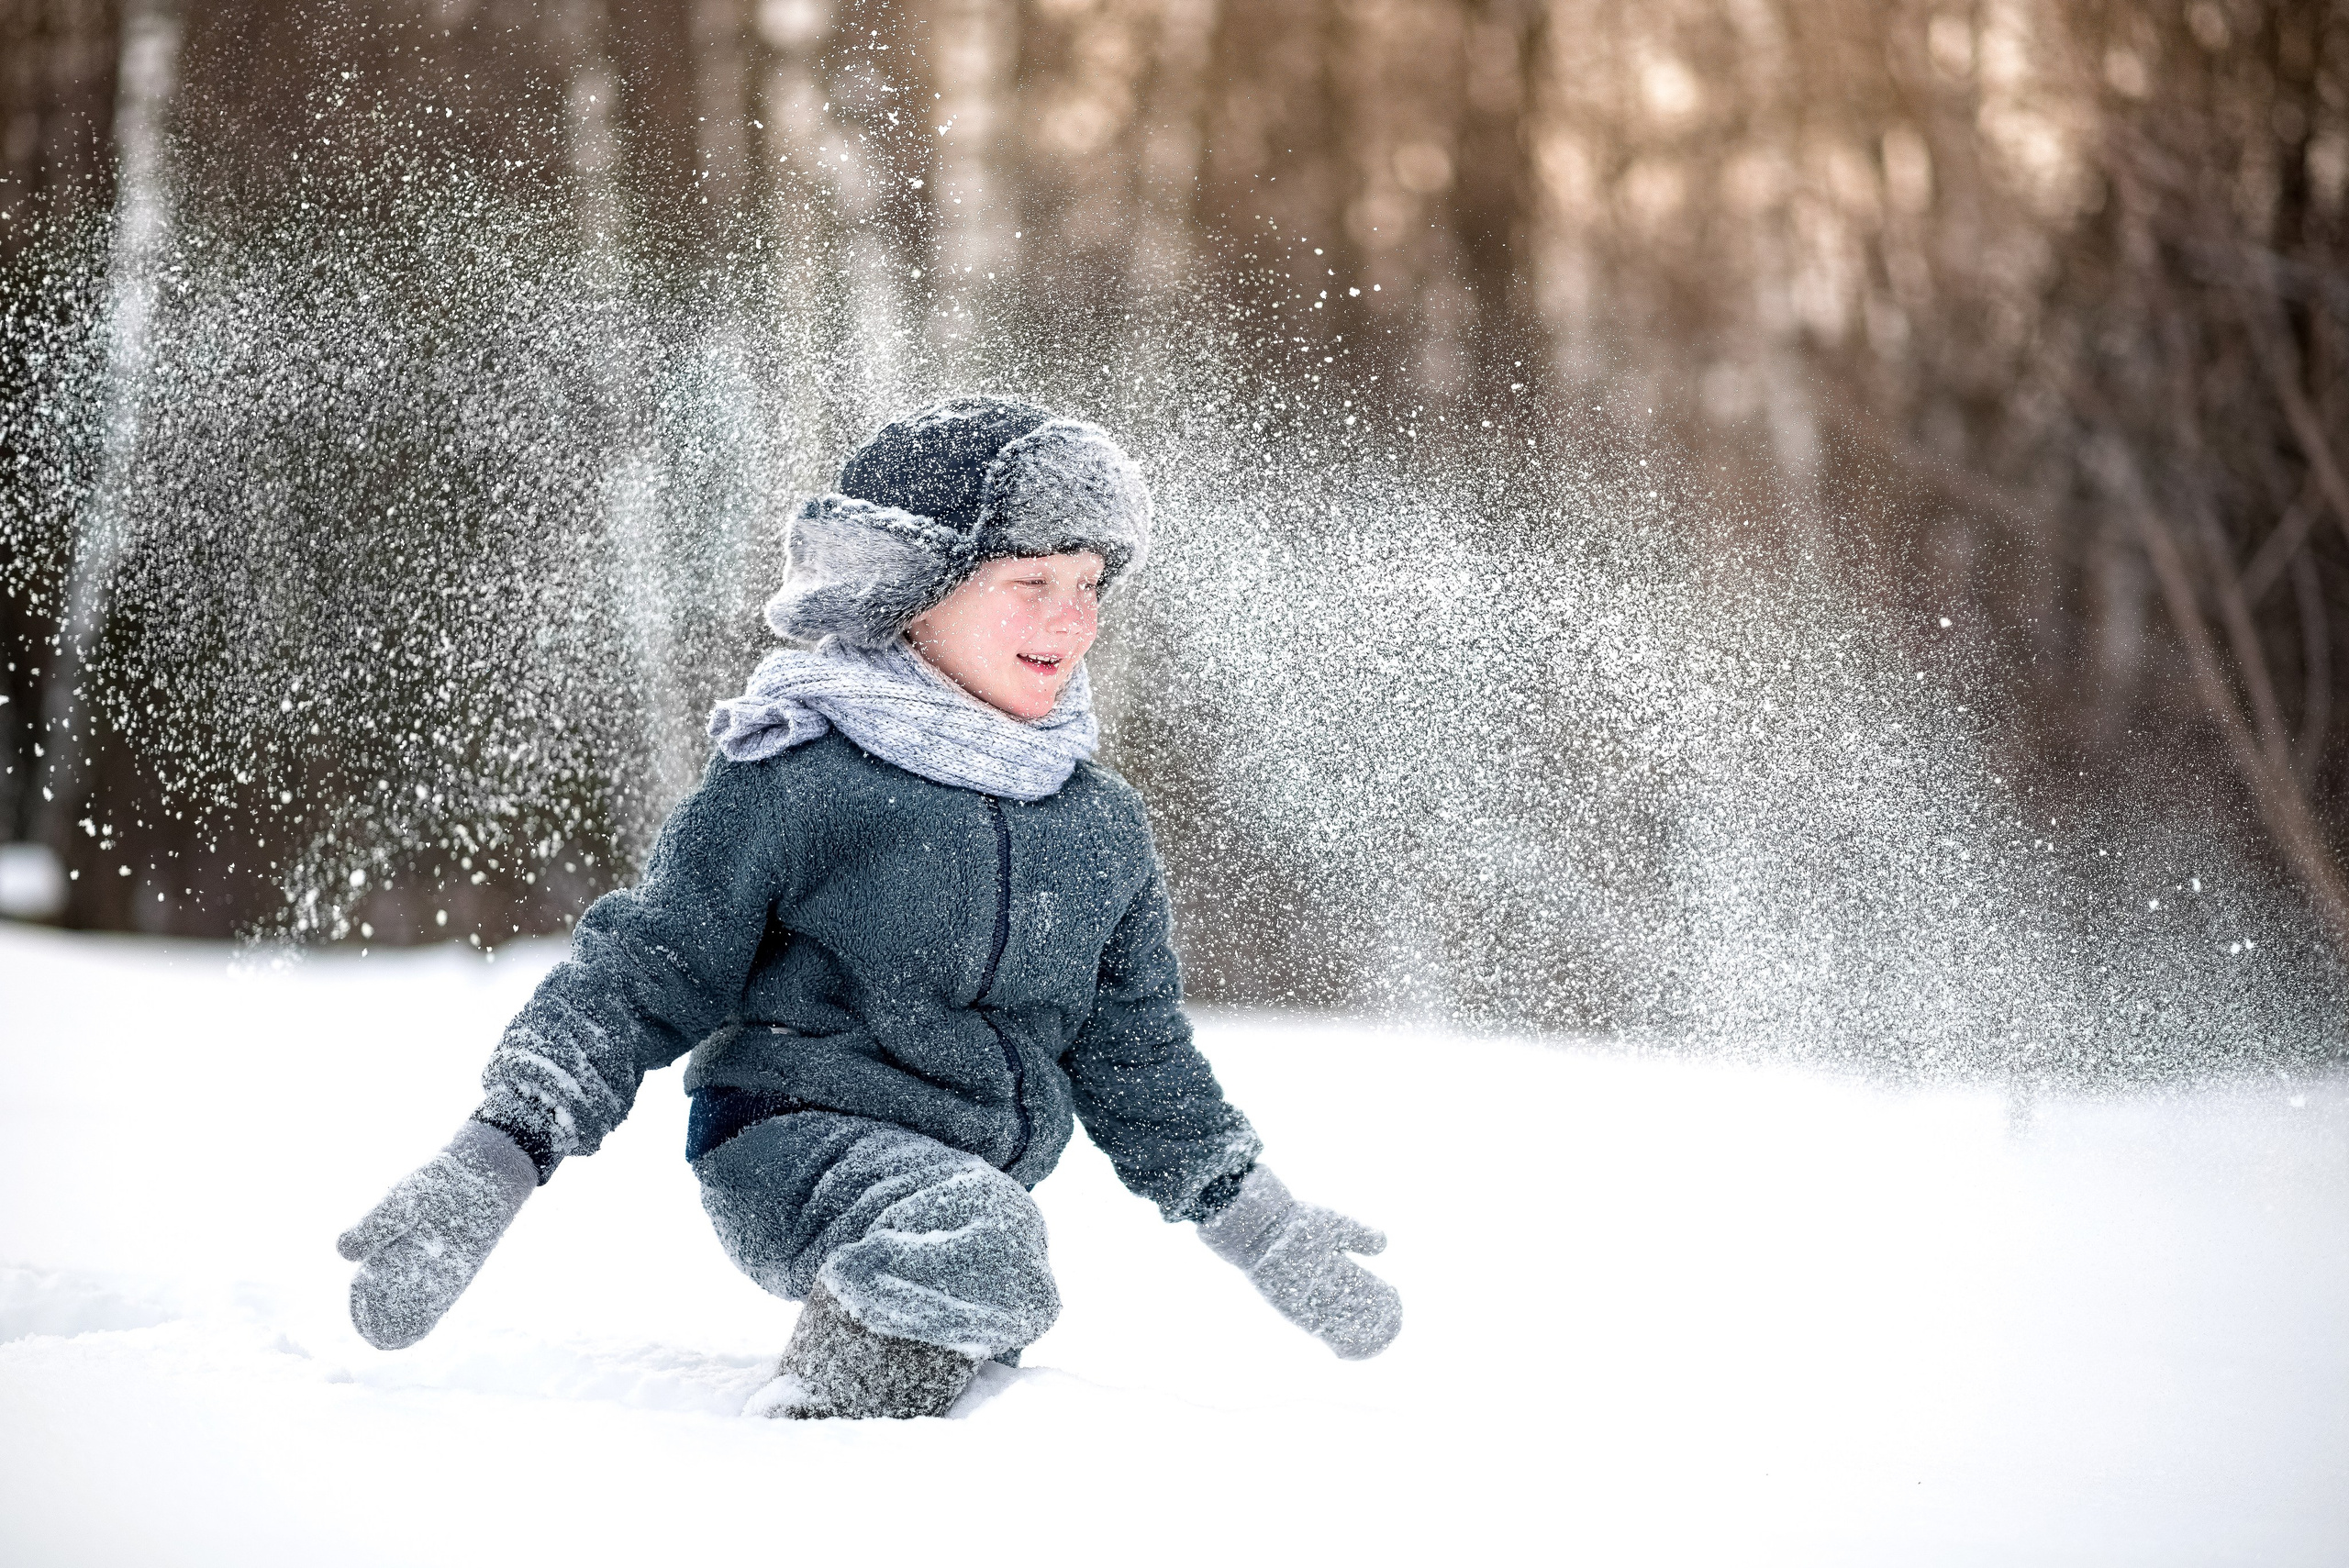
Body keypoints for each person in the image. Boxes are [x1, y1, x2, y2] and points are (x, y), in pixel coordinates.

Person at [336, 395, 1403, 1419]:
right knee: (975, 1248)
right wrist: (492, 1161)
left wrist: (1266, 1228)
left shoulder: (1099, 825)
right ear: (913, 590)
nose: (1069, 615)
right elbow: (642, 971)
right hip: (789, 1136)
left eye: (1088, 581)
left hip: (961, 1177)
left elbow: (1138, 1061)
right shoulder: (804, 775)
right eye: (1028, 578)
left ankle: (884, 1433)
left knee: (975, 1269)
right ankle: (818, 1468)